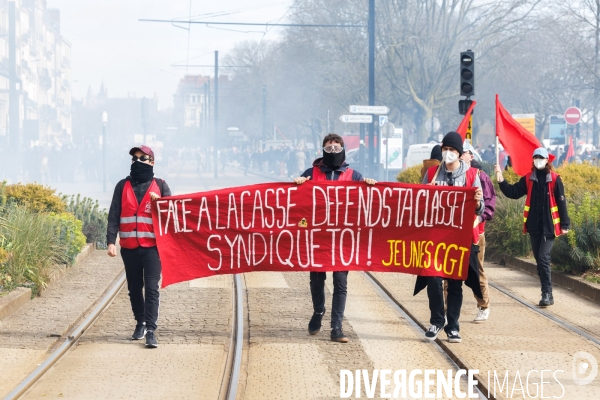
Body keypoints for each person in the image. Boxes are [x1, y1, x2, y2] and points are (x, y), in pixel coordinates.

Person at [294, 133, 376, 343]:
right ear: (323, 150)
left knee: (340, 283)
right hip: (318, 238)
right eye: (329, 148)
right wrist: (298, 184)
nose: (332, 152)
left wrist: (369, 186)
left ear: (342, 150)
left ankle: (336, 327)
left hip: (342, 239)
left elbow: (367, 204)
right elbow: (296, 202)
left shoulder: (354, 176)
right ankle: (318, 311)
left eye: (336, 148)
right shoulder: (310, 173)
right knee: (316, 280)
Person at [415, 131, 484, 343]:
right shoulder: (433, 173)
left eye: (452, 150)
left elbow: (480, 210)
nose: (448, 153)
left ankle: (453, 326)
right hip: (435, 237)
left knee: (455, 283)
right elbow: (421, 204)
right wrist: (426, 193)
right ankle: (437, 321)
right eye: (445, 149)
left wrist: (478, 201)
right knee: (433, 278)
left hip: (460, 239)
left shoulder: (472, 175)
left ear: (459, 152)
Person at [106, 145, 171, 348]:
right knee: (134, 288)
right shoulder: (122, 186)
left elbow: (173, 215)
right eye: (135, 158)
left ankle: (151, 329)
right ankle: (140, 323)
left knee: (152, 288)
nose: (137, 161)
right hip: (129, 248)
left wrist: (160, 203)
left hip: (152, 248)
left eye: (142, 158)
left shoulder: (160, 186)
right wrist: (110, 241)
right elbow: (114, 215)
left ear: (152, 161)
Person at [495, 148, 570, 307]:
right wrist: (501, 181)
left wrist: (565, 224)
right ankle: (546, 292)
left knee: (543, 257)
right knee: (539, 260)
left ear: (547, 160)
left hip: (549, 227)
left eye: (541, 157)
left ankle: (547, 293)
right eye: (535, 157)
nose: (538, 160)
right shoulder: (529, 178)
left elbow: (561, 202)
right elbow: (514, 192)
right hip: (534, 227)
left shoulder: (555, 179)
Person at [459, 141, 496, 322]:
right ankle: (445, 307)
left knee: (477, 271)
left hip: (475, 233)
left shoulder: (480, 176)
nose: (458, 156)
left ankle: (483, 305)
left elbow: (489, 205)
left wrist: (479, 218)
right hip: (453, 232)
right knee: (448, 270)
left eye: (462, 152)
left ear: (471, 156)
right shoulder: (448, 175)